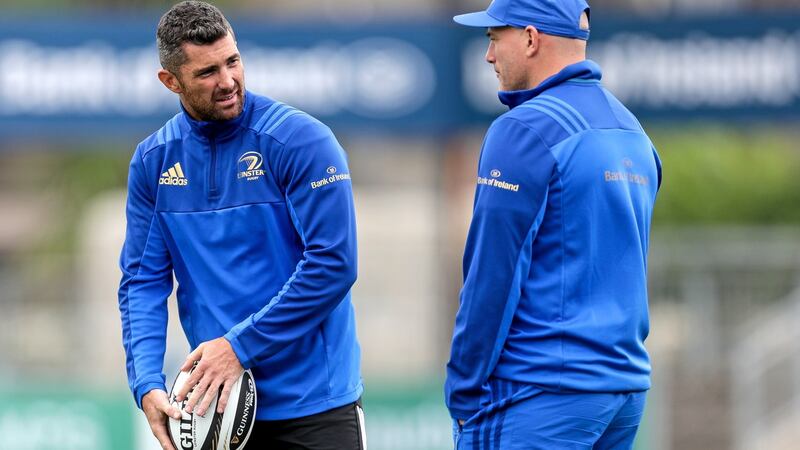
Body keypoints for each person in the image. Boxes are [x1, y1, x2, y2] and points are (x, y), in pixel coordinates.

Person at [117, 2, 365, 449]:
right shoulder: (154, 162)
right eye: (207, 72)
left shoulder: (301, 141)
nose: (228, 81)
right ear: (170, 81)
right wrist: (147, 382)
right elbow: (142, 281)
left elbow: (333, 265)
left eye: (233, 61)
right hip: (217, 413)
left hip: (316, 409)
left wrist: (238, 347)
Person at [445, 0, 662, 448]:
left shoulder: (523, 130)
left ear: (530, 38)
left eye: (493, 38)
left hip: (540, 392)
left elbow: (493, 275)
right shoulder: (633, 131)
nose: (488, 56)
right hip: (622, 390)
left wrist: (463, 389)